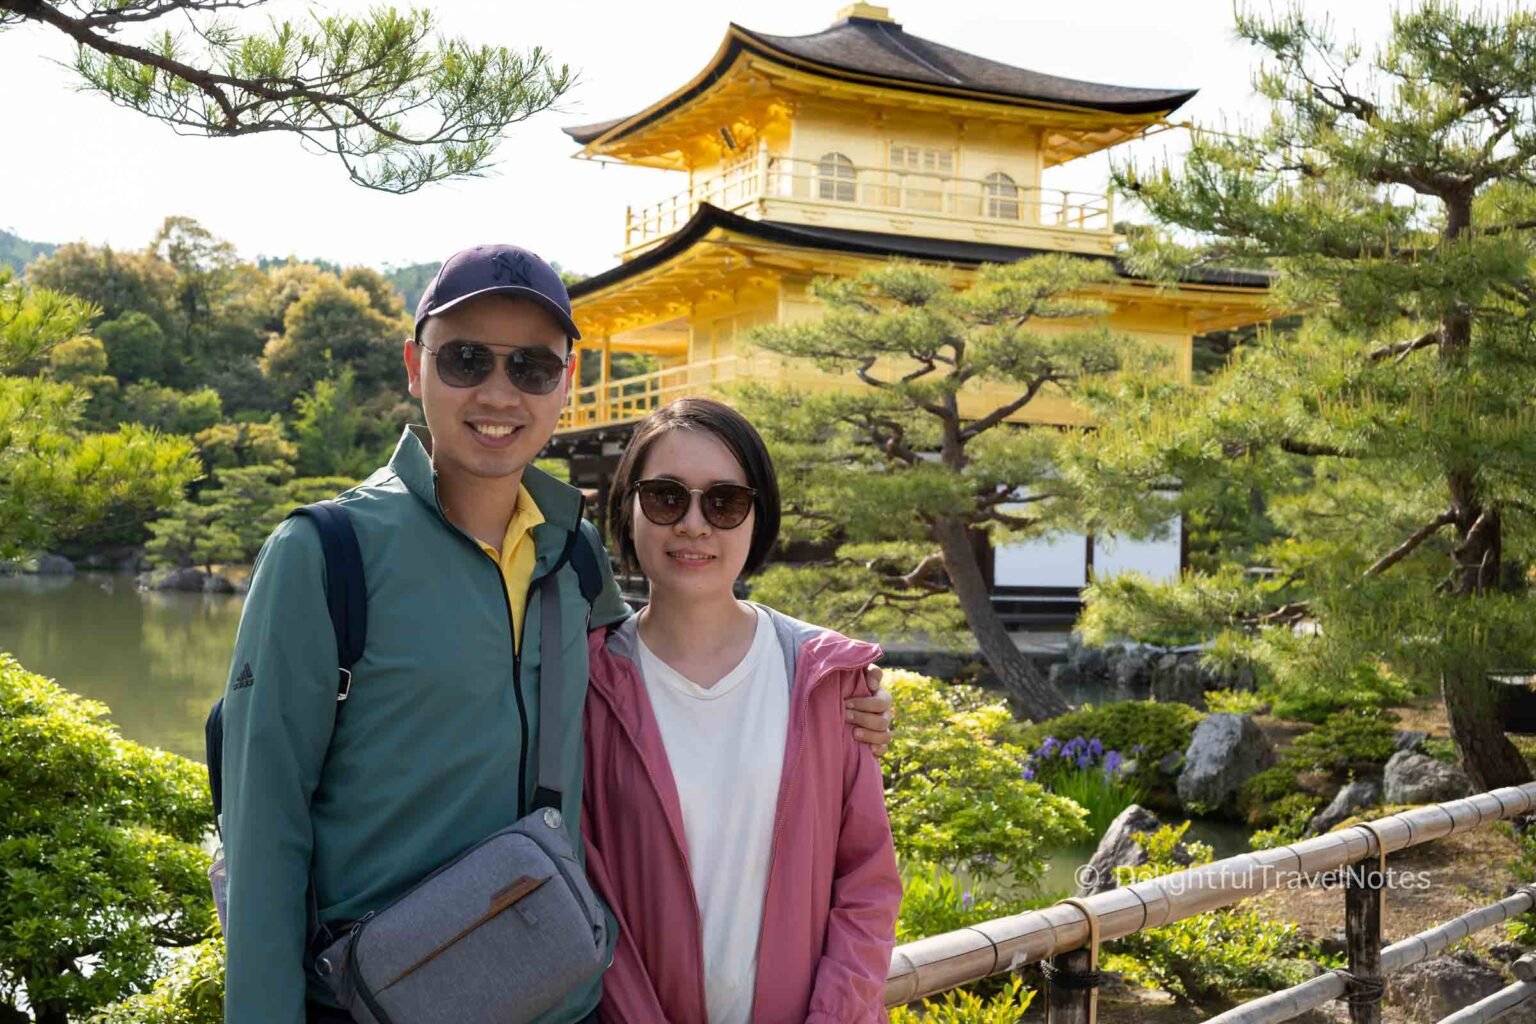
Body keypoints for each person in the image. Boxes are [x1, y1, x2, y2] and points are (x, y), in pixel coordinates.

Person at [217, 245, 897, 1024]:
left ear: (566, 383)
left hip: (560, 998)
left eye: (532, 368)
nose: (498, 393)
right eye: (466, 360)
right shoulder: (324, 556)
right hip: (382, 997)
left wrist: (841, 687)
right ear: (415, 365)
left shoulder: (570, 557)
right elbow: (263, 836)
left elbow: (683, 645)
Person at [583, 397, 903, 1024]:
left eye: (724, 502)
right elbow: (587, 896)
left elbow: (867, 884)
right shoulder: (588, 685)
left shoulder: (825, 679)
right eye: (666, 497)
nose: (694, 525)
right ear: (628, 510)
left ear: (757, 517)